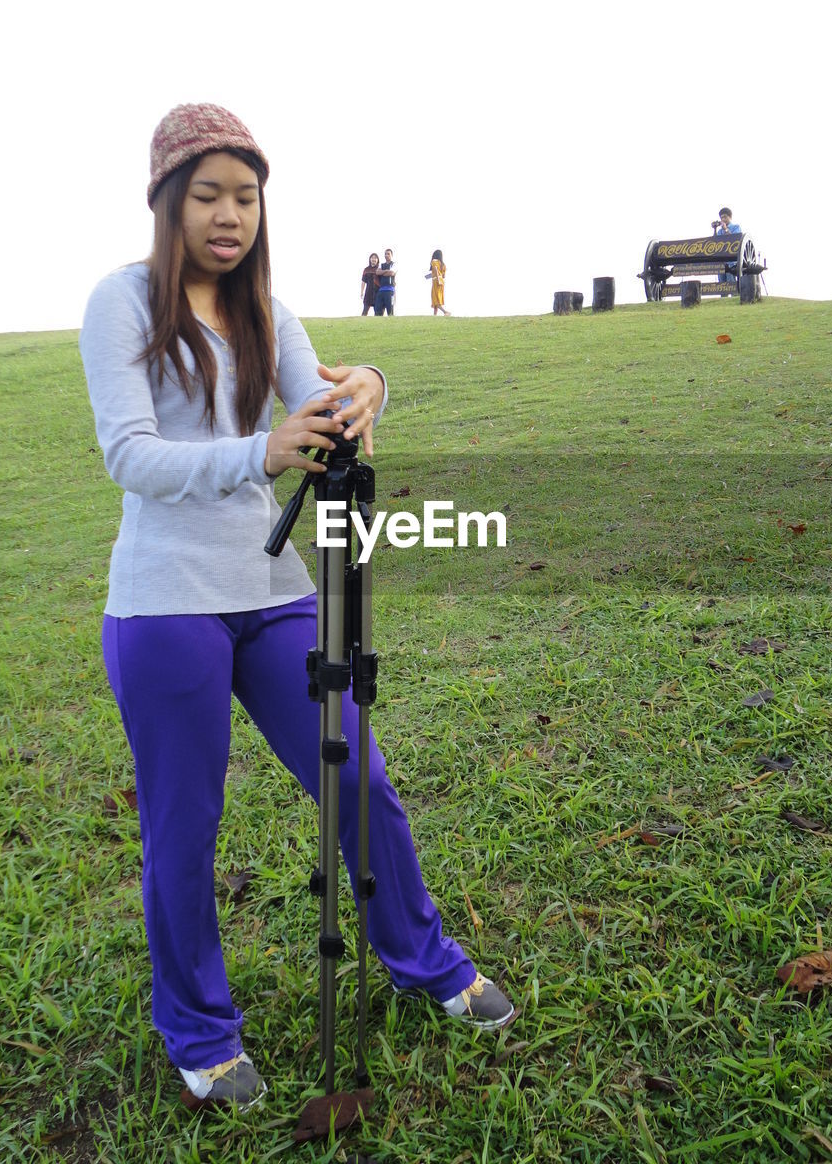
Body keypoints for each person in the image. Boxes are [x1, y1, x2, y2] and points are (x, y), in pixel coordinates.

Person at [79, 103, 513, 1114]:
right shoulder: (125, 301)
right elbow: (128, 454)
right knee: (185, 825)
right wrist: (262, 452)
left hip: (272, 593)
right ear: (168, 203)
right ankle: (199, 1030)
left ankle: (426, 960)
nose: (230, 214)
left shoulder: (269, 312)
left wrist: (370, 384)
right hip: (163, 606)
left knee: (358, 772)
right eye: (208, 195)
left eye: (246, 195)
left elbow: (327, 394)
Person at [712, 207, 742, 293]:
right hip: (721, 262)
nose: (723, 219)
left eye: (725, 217)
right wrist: (715, 229)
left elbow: (734, 240)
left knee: (731, 284)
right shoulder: (720, 231)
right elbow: (714, 242)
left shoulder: (736, 227)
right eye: (721, 218)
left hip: (732, 262)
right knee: (722, 286)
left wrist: (725, 229)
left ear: (730, 217)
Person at [424, 249, 449, 315]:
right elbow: (443, 276)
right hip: (441, 282)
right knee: (437, 298)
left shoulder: (434, 261)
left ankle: (445, 312)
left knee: (435, 299)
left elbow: (435, 269)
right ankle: (435, 315)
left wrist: (436, 275)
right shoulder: (443, 265)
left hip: (436, 282)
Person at [374, 248, 396, 316]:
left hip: (390, 290)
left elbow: (392, 273)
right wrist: (386, 271)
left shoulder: (394, 264)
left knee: (390, 311)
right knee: (378, 311)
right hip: (381, 290)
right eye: (385, 254)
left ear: (391, 255)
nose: (386, 255)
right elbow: (377, 272)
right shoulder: (381, 264)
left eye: (388, 254)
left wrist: (382, 272)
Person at [360, 251, 379, 316]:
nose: (374, 259)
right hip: (368, 292)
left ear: (377, 260)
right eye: (372, 258)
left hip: (378, 292)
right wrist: (361, 292)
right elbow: (363, 282)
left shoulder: (380, 269)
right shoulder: (366, 269)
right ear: (370, 259)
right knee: (365, 311)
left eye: (375, 258)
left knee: (378, 312)